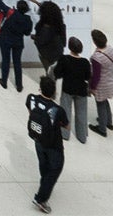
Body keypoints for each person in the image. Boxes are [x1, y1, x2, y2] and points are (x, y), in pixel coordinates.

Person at [27, 73, 67, 213]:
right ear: (54, 92)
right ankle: (41, 199)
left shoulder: (31, 99)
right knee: (55, 168)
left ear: (40, 89)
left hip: (38, 138)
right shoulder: (57, 110)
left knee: (43, 164)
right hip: (53, 144)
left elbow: (30, 111)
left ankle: (45, 184)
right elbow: (66, 126)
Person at [56, 37, 93, 143]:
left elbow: (58, 73)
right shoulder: (85, 62)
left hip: (67, 89)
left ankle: (65, 134)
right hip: (81, 90)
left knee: (65, 111)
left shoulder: (64, 59)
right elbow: (87, 76)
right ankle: (82, 136)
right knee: (81, 113)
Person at [0, 0, 32, 89]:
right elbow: (27, 33)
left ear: (17, 6)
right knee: (17, 63)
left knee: (6, 60)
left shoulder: (10, 12)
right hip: (18, 42)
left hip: (5, 40)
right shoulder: (28, 19)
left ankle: (4, 81)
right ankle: (19, 85)